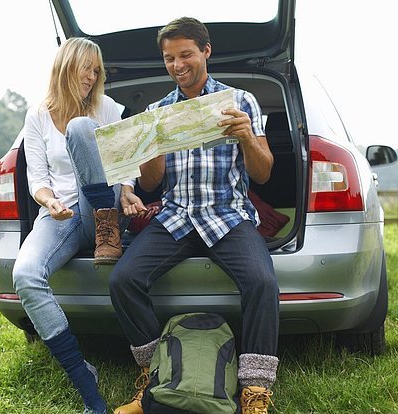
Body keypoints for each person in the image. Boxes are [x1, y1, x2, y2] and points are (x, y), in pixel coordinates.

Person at [109, 17, 279, 414]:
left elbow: (265, 173)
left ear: (206, 51)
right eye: (169, 58)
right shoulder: (157, 110)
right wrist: (151, 147)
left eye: (185, 54)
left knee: (262, 282)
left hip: (228, 215)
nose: (177, 64)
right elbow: (151, 183)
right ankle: (156, 377)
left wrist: (246, 137)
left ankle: (255, 390)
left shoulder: (241, 101)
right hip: (176, 217)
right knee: (123, 279)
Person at [12, 37, 135, 414]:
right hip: (61, 214)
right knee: (25, 275)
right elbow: (37, 178)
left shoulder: (108, 108)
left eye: (97, 70)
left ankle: (106, 228)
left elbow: (128, 159)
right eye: (88, 67)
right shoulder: (37, 116)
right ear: (68, 66)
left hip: (104, 210)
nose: (93, 76)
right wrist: (49, 202)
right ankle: (86, 382)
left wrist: (127, 191)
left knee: (82, 127)